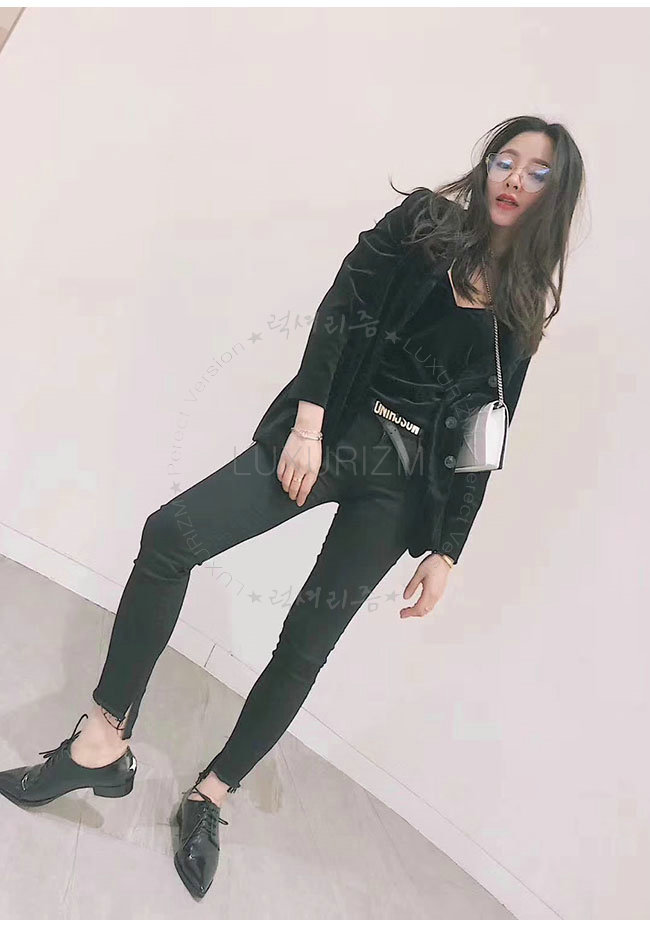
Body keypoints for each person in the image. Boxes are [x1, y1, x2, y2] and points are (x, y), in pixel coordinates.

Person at [0, 114, 585, 900]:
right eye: (505, 160)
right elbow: (342, 308)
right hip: (333, 433)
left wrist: (449, 549)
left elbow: (485, 434)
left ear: (555, 193)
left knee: (307, 643)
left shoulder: (521, 308)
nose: (514, 179)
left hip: (401, 488)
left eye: (537, 171)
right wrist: (308, 426)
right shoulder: (422, 222)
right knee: (170, 536)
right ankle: (102, 743)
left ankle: (213, 794)